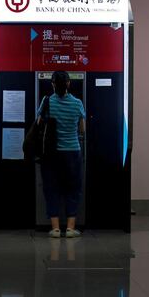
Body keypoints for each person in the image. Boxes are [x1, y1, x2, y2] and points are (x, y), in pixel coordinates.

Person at [36, 71, 86, 238]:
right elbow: (82, 129)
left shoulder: (47, 101)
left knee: (52, 188)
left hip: (52, 154)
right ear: (69, 84)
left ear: (52, 84)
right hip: (73, 152)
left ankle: (55, 228)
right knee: (73, 188)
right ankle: (71, 229)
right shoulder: (78, 103)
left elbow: (38, 124)